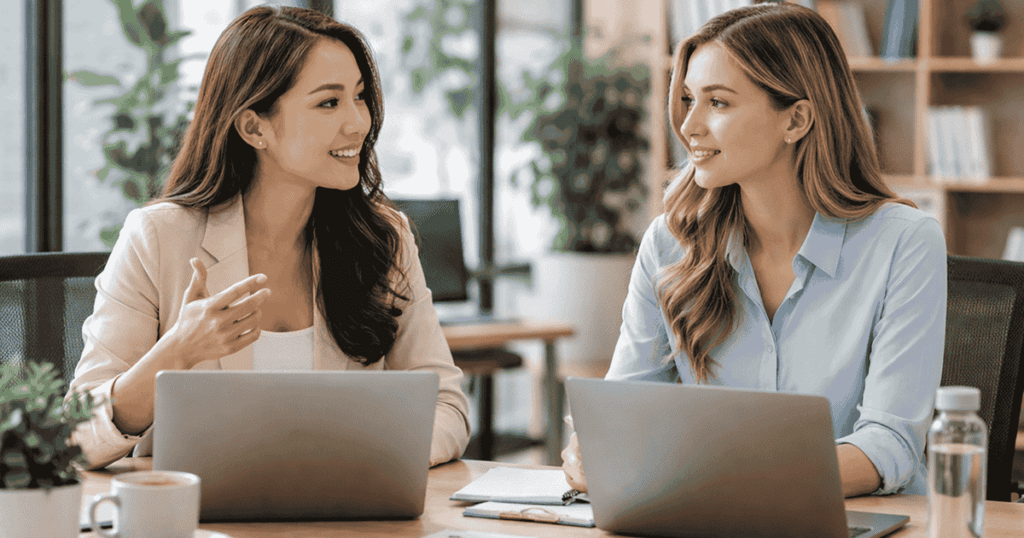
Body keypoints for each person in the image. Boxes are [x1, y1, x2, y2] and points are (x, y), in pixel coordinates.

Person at [562, 2, 944, 498]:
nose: (688, 126)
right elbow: (622, 411)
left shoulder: (904, 242)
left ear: (797, 119)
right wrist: (592, 449)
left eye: (717, 103)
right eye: (687, 99)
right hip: (705, 520)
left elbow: (889, 446)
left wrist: (713, 477)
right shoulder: (670, 242)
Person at [68, 6, 470, 470]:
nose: (359, 122)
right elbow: (77, 436)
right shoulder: (157, 238)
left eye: (359, 97)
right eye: (328, 102)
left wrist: (351, 462)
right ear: (254, 126)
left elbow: (449, 408)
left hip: (344, 517)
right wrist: (176, 352)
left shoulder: (383, 238)